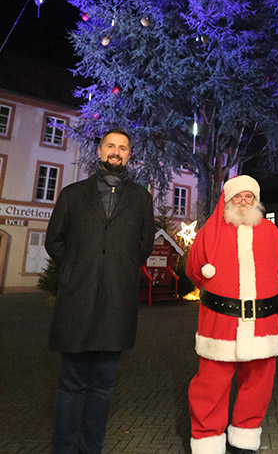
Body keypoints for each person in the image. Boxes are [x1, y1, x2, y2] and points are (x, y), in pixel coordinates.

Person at [45, 128, 155, 454]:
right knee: (71, 385)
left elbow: (143, 245)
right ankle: (63, 449)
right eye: (110, 146)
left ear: (129, 156)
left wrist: (116, 268)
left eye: (122, 148)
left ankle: (90, 449)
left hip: (116, 304)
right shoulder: (72, 194)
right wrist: (79, 266)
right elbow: (55, 240)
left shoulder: (141, 199)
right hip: (76, 300)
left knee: (103, 386)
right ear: (100, 151)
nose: (116, 152)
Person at [186, 175, 278, 454]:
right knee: (211, 384)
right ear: (227, 201)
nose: (243, 202)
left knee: (258, 382)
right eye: (237, 197)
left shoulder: (271, 232)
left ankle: (244, 436)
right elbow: (194, 269)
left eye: (249, 197)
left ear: (256, 201)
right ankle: (207, 439)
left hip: (262, 322)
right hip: (220, 322)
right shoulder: (210, 232)